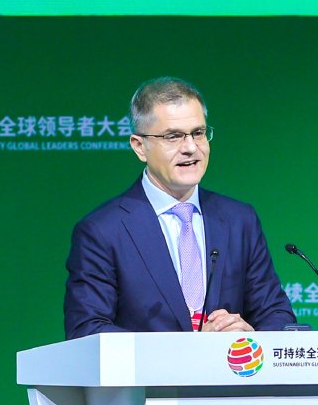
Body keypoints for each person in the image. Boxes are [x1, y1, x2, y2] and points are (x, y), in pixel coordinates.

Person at [63, 77, 297, 338]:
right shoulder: (103, 231)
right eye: (173, 136)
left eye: (198, 133)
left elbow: (276, 314)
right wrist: (189, 350)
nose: (190, 148)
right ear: (140, 147)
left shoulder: (238, 220)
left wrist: (252, 335)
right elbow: (88, 329)